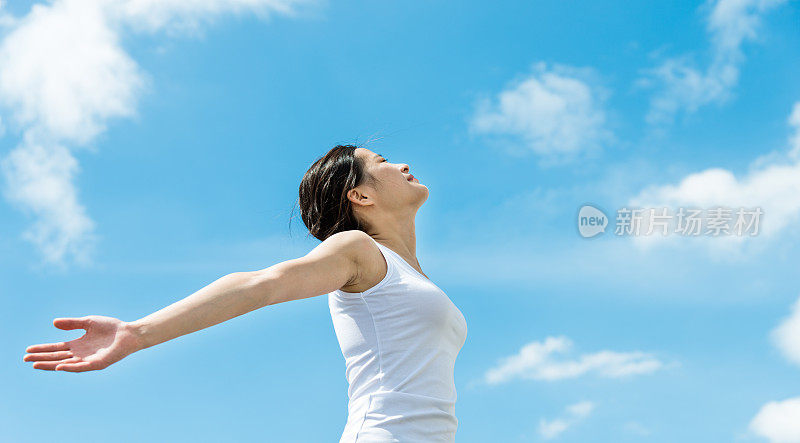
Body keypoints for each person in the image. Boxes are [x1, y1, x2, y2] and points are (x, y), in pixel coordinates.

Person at [23, 144, 468, 442]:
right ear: (360, 195)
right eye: (383, 162)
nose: (402, 165)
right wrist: (138, 332)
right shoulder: (358, 250)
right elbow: (260, 285)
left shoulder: (414, 276)